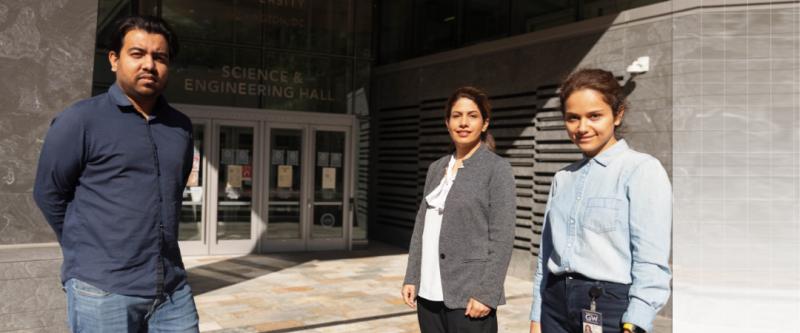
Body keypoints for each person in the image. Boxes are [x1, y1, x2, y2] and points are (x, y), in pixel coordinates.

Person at [33, 15, 199, 332]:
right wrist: (88, 249)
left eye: (159, 57)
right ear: (114, 59)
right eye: (137, 54)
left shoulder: (180, 127)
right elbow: (48, 193)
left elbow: (172, 194)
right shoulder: (80, 120)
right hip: (102, 289)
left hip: (171, 289)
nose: (149, 65)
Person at [529, 68, 672, 333]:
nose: (582, 127)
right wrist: (537, 316)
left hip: (609, 308)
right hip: (554, 306)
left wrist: (636, 321)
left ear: (617, 115)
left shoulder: (641, 170)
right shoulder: (563, 178)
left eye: (594, 116)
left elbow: (651, 259)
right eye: (573, 118)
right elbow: (545, 256)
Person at [401, 86, 516, 333]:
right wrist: (412, 276)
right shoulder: (436, 168)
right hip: (428, 294)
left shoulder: (497, 169)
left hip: (470, 297)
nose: (463, 123)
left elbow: (503, 238)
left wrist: (487, 293)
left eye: (472, 116)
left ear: (485, 123)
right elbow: (421, 226)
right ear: (447, 122)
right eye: (456, 116)